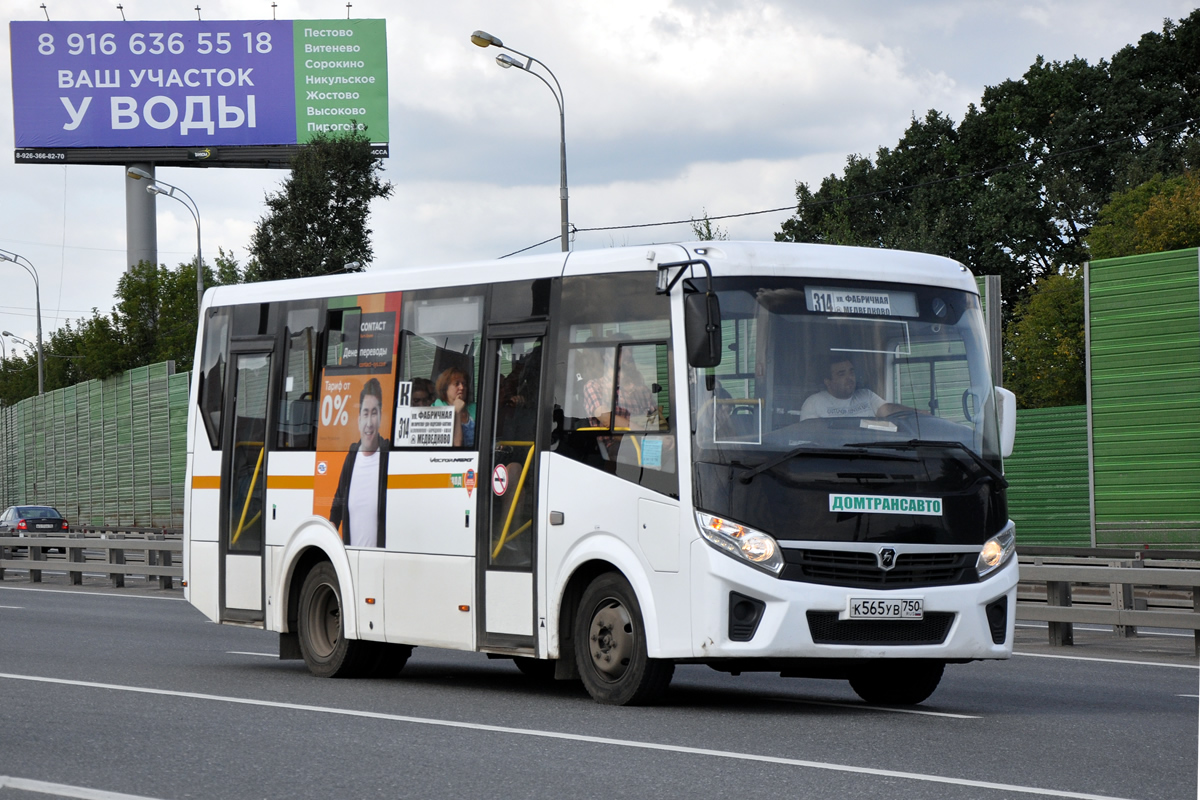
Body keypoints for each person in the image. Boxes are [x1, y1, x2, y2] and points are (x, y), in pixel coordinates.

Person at [329, 378, 389, 548]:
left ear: (381, 417)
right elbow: (338, 502)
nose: (369, 423)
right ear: (358, 419)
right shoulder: (352, 456)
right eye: (365, 413)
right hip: (352, 560)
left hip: (382, 560)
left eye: (374, 413)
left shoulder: (388, 456)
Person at [800, 356, 907, 420]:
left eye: (851, 372)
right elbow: (810, 441)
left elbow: (888, 410)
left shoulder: (866, 395)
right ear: (828, 382)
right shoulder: (814, 403)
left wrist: (919, 413)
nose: (849, 377)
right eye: (841, 374)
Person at [584, 345, 658, 431]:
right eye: (623, 350)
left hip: (647, 442)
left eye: (630, 350)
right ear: (607, 356)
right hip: (617, 443)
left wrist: (666, 439)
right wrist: (645, 434)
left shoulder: (642, 390)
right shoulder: (594, 386)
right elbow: (607, 419)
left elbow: (657, 421)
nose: (629, 354)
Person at [434, 367, 475, 447]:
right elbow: (457, 445)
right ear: (445, 388)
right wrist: (457, 412)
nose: (462, 387)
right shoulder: (437, 409)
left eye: (464, 384)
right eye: (457, 384)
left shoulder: (474, 408)